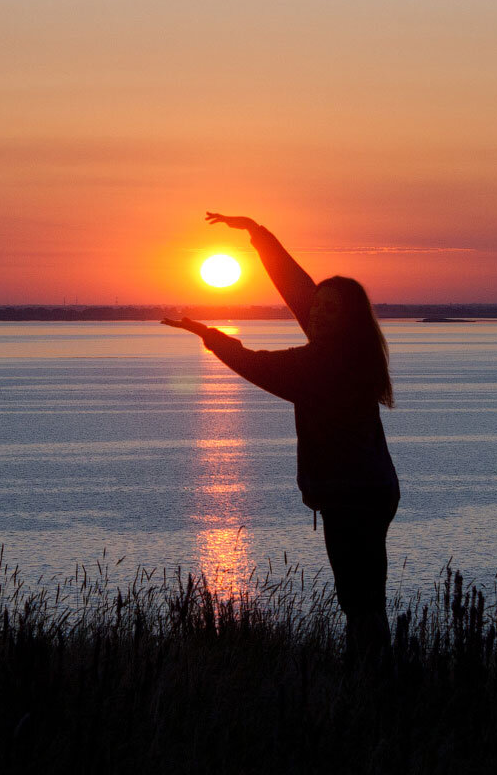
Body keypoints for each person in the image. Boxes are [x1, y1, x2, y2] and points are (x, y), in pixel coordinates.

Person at [162, 212, 400, 663]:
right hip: (371, 490)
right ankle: (374, 676)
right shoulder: (354, 349)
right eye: (317, 307)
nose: (317, 311)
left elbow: (257, 366)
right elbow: (299, 288)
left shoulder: (324, 364)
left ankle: (371, 681)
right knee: (366, 596)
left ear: (346, 317)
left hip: (352, 496)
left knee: (358, 598)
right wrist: (260, 236)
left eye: (330, 309)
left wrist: (207, 334)